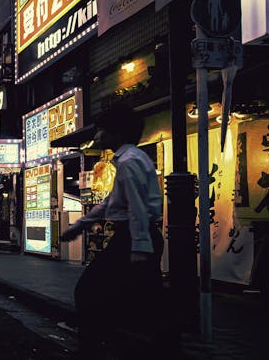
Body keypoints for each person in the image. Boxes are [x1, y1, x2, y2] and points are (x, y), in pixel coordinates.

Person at [60, 104, 166, 358]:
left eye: (101, 130)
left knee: (88, 291)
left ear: (117, 133)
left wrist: (139, 246)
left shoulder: (129, 162)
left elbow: (137, 206)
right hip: (136, 237)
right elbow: (111, 202)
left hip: (134, 237)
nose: (96, 135)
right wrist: (79, 226)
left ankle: (93, 347)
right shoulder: (131, 159)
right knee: (143, 299)